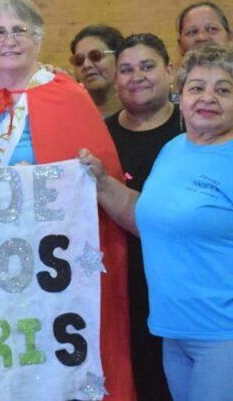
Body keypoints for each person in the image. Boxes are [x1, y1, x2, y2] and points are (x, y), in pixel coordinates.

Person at [0, 0, 135, 401]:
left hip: (58, 259)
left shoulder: (67, 95)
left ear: (38, 39)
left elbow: (97, 180)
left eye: (20, 30)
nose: (9, 40)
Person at [80, 44, 233, 401]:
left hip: (222, 334)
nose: (207, 98)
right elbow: (146, 217)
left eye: (223, 90)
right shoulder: (174, 149)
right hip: (172, 332)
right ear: (182, 95)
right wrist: (100, 182)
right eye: (197, 88)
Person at [105, 33, 179, 401]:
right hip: (123, 281)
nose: (137, 77)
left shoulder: (194, 127)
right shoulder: (100, 132)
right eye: (126, 70)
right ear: (115, 79)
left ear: (170, 71)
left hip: (181, 282)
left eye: (148, 66)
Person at [70, 24, 125, 117]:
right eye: (79, 60)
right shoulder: (69, 116)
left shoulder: (143, 114)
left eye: (95, 56)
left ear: (120, 58)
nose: (86, 65)